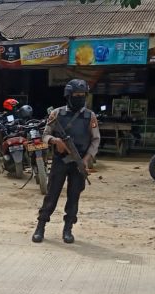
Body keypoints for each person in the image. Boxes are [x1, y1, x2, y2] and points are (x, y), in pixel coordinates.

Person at [32, 79, 100, 244]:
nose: (79, 98)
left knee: (74, 196)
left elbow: (95, 140)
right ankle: (40, 226)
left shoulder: (90, 116)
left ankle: (68, 229)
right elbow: (45, 135)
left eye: (82, 95)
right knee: (52, 194)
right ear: (69, 96)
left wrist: (86, 159)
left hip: (79, 162)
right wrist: (55, 141)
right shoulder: (56, 114)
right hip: (60, 161)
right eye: (76, 95)